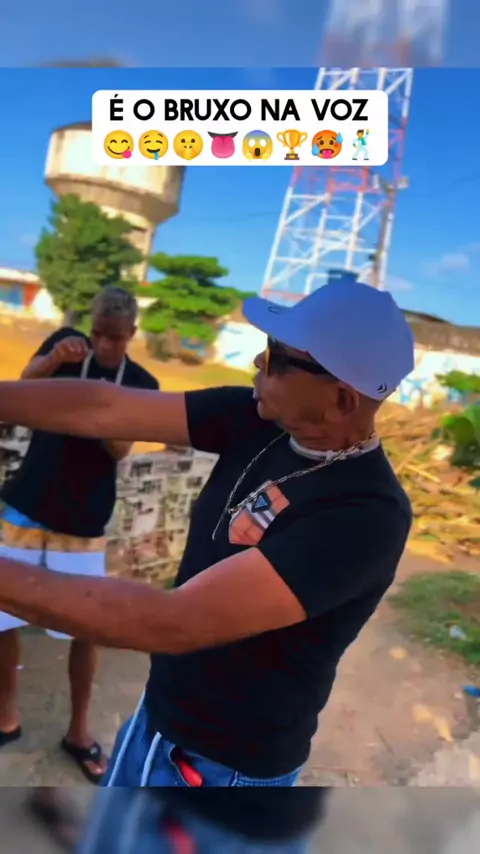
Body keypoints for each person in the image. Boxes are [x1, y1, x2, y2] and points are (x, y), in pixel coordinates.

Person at [0, 279, 413, 787]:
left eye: (277, 357)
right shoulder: (259, 419)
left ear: (342, 401)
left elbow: (173, 621)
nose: (259, 362)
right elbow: (103, 407)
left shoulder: (365, 515)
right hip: (155, 719)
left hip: (222, 768)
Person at [0, 286, 158, 783]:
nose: (103, 345)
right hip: (26, 504)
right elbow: (19, 393)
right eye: (98, 334)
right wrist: (52, 362)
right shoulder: (65, 345)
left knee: (84, 629)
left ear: (131, 334)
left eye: (115, 337)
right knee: (3, 617)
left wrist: (96, 402)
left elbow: (120, 449)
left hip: (84, 518)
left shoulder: (141, 382)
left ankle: (79, 731)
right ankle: (6, 714)